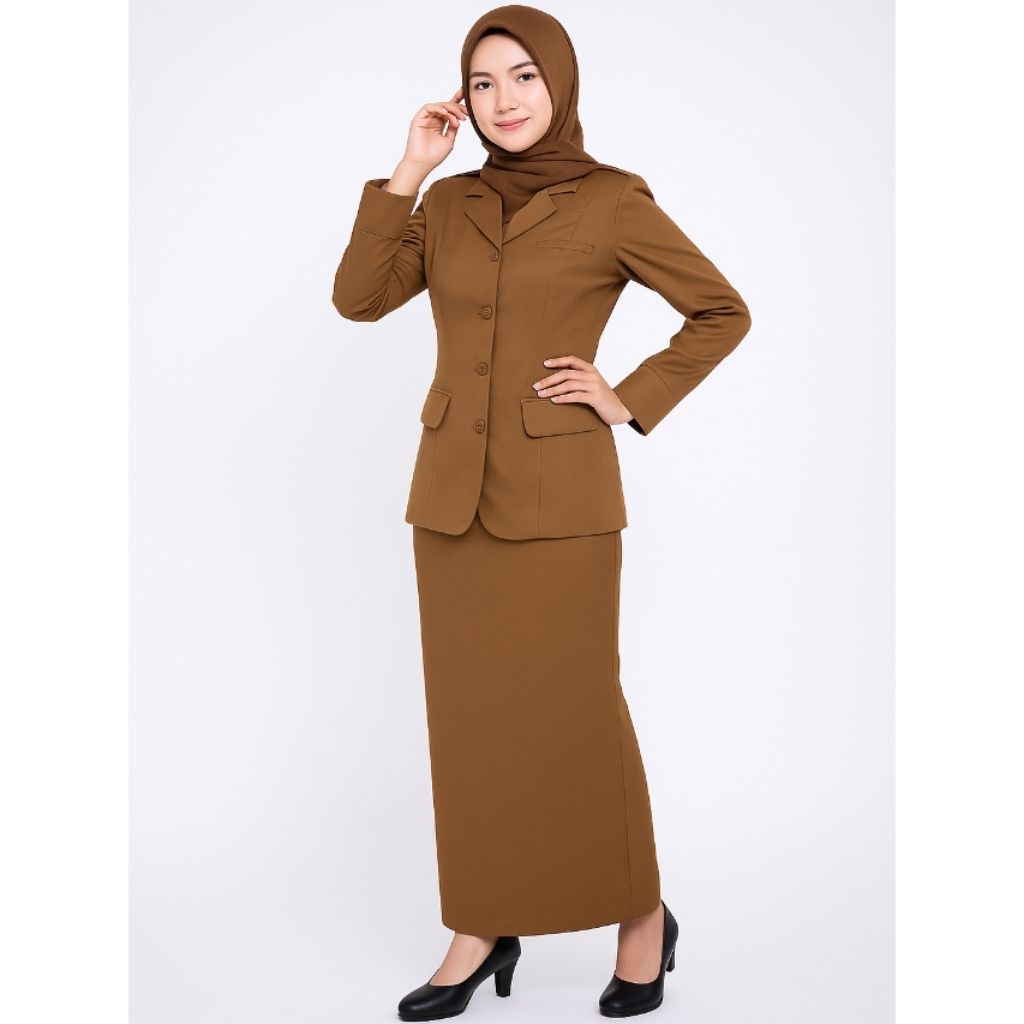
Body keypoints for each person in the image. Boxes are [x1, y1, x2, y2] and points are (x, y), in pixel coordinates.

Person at [331, 5, 751, 1019]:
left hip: (562, 501)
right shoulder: (451, 201)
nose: (503, 99)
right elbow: (359, 297)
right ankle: (481, 924)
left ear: (559, 82)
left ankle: (642, 917)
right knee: (469, 722)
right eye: (482, 82)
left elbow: (720, 310)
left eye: (523, 76)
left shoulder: (612, 199)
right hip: (450, 501)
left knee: (578, 715)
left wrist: (627, 395)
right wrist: (409, 172)